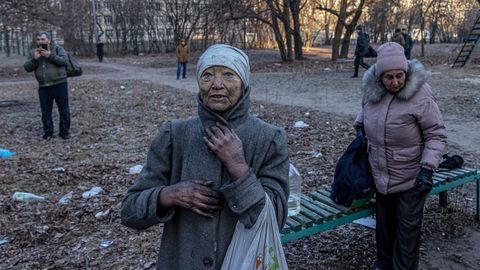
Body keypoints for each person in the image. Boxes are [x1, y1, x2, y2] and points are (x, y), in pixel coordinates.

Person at [121, 44, 289, 269]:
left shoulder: (268, 138)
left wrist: (238, 165)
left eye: (228, 75)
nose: (217, 85)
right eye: (207, 75)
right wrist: (169, 195)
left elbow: (274, 220)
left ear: (244, 82)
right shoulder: (175, 135)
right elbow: (130, 212)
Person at [354, 42, 446, 270]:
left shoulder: (421, 95)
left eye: (399, 76)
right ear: (379, 78)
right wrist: (359, 130)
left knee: (406, 235)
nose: (395, 82)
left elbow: (436, 134)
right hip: (381, 177)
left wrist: (426, 170)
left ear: (406, 73)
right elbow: (362, 117)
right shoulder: (372, 93)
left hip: (411, 179)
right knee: (384, 230)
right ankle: (384, 265)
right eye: (389, 77)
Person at [24, 31, 71, 140]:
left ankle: (64, 132)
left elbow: (65, 61)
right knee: (45, 111)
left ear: (49, 40)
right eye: (38, 39)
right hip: (44, 86)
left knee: (63, 109)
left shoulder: (58, 49)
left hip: (59, 83)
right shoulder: (33, 52)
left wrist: (50, 56)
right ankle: (48, 132)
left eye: (43, 39)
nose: (40, 42)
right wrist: (34, 59)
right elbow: (27, 67)